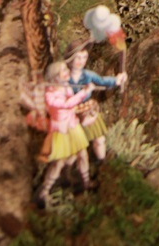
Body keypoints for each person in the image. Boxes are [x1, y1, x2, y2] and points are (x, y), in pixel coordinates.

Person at [37, 60, 94, 205]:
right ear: (55, 76)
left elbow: (72, 101)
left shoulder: (66, 86)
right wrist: (84, 92)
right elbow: (66, 104)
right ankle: (44, 191)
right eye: (63, 70)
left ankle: (86, 182)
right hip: (60, 131)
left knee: (82, 154)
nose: (67, 71)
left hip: (73, 126)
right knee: (59, 162)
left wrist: (84, 91)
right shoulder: (50, 94)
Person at [65, 40, 127, 162]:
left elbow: (102, 81)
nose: (81, 61)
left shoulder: (88, 75)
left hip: (87, 110)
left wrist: (117, 80)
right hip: (70, 113)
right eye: (78, 58)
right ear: (71, 58)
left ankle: (101, 162)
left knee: (99, 139)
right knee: (75, 147)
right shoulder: (64, 76)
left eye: (84, 57)